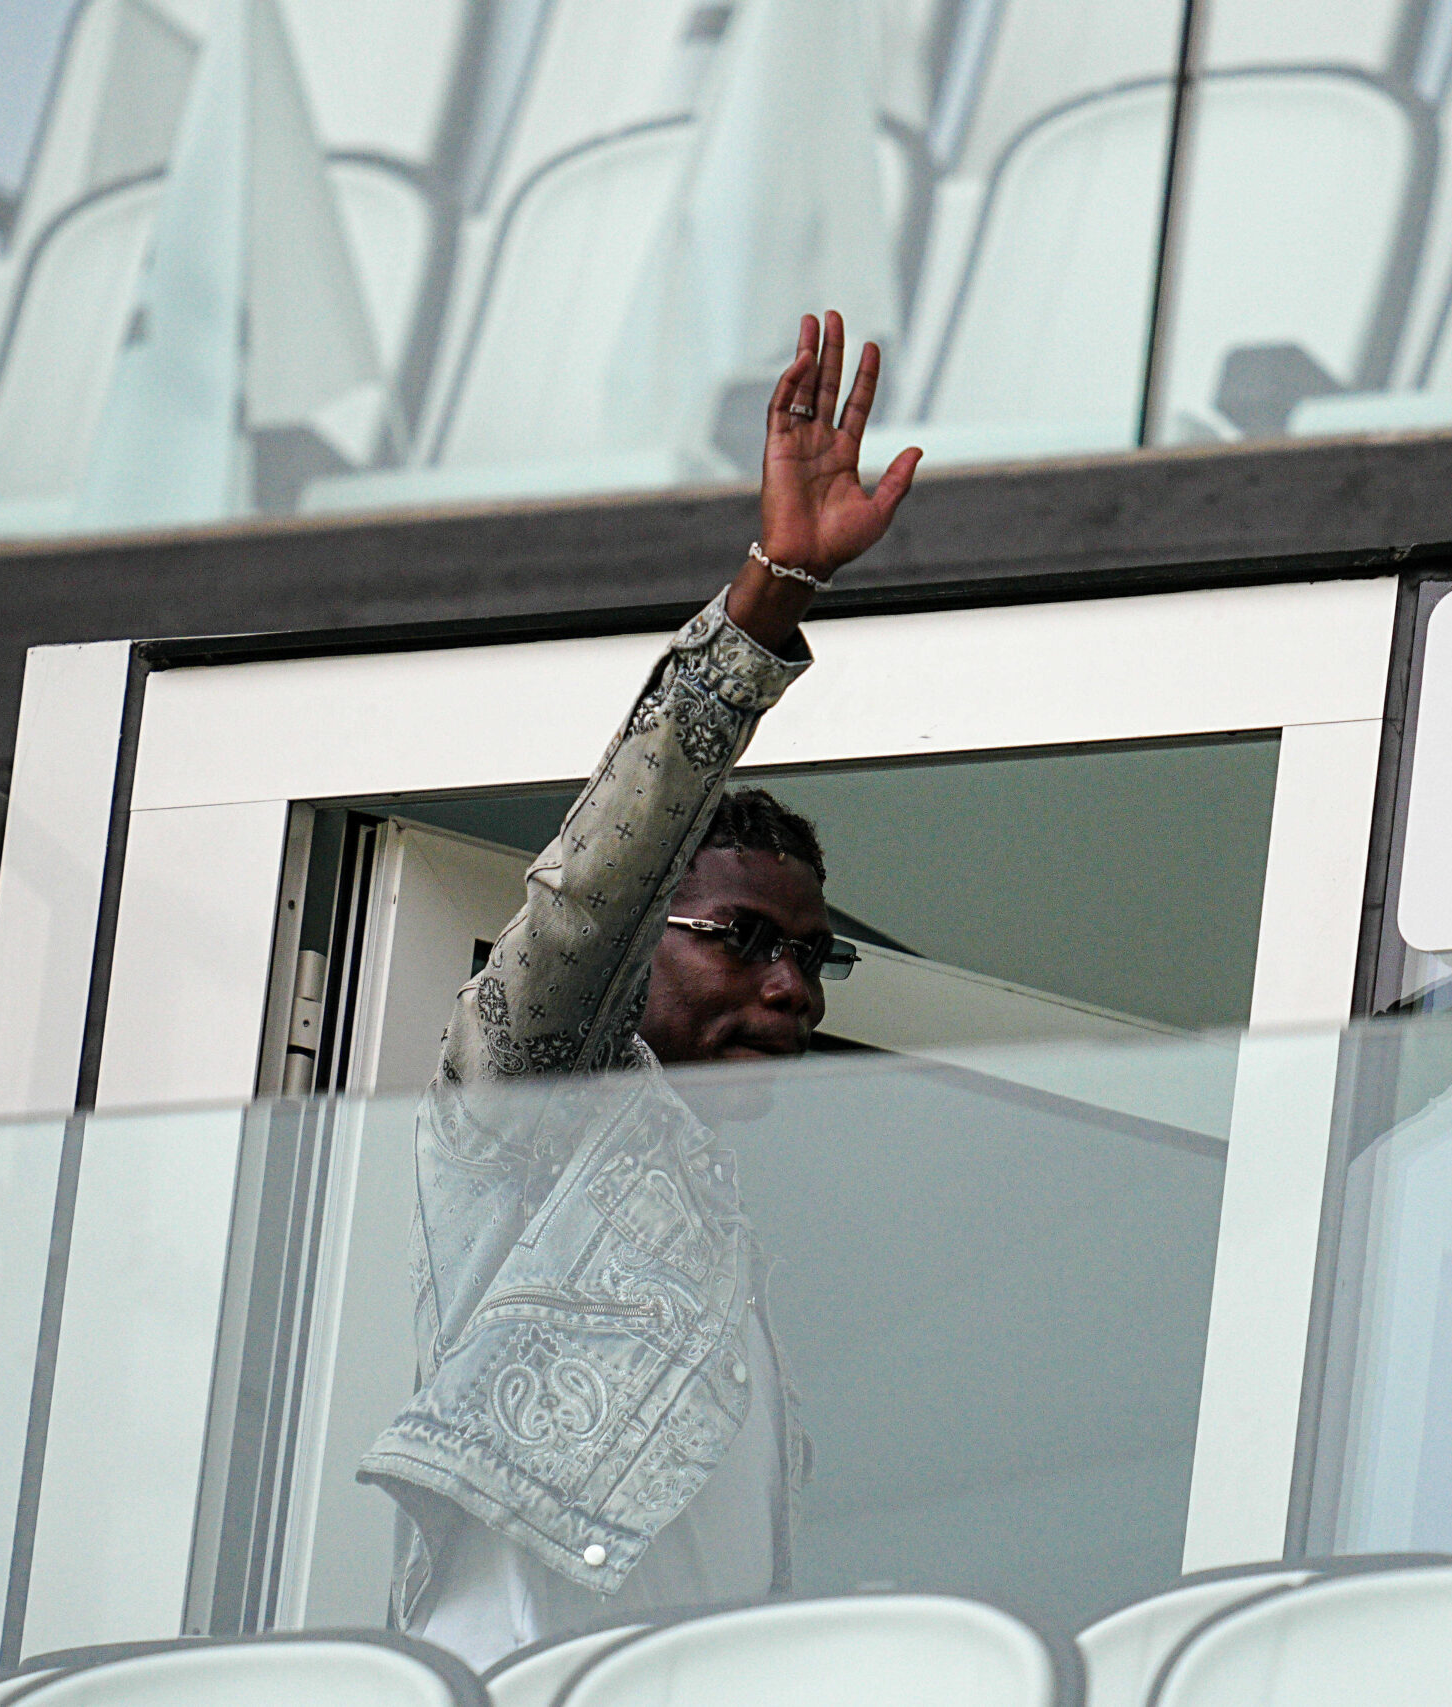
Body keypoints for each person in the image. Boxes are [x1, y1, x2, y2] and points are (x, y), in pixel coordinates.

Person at [357, 312, 922, 1667]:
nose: (793, 992)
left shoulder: (719, 1225)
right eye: (743, 940)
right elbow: (595, 893)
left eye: (812, 956)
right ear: (648, 943)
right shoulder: (530, 1116)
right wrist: (771, 593)